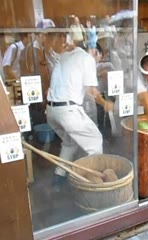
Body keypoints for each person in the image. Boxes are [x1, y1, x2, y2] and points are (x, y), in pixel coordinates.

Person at [46, 30, 113, 187]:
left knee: (70, 142)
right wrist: (106, 104)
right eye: (98, 59)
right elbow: (91, 92)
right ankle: (94, 184)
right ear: (95, 52)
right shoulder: (87, 58)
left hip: (51, 111)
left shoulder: (66, 55)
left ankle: (59, 178)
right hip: (67, 111)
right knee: (95, 141)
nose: (97, 63)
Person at [95, 31, 122, 138]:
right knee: (99, 116)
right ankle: (101, 135)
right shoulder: (94, 54)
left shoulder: (114, 56)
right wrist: (98, 74)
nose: (105, 43)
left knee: (110, 116)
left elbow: (120, 72)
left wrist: (111, 75)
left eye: (107, 40)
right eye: (103, 40)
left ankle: (109, 138)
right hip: (97, 91)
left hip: (111, 90)